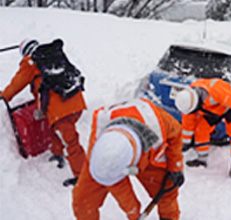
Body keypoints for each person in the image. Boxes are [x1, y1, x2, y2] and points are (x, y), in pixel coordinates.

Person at [72, 98, 184, 220]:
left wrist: (175, 167)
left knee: (166, 191)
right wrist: (133, 213)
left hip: (147, 155)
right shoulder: (100, 147)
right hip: (114, 162)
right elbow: (114, 181)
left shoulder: (160, 122)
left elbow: (176, 136)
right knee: (82, 200)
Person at [0, 39, 87, 186]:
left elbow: (17, 83)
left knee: (71, 142)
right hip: (75, 102)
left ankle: (83, 177)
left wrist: (4, 96)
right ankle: (58, 154)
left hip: (62, 110)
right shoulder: (52, 56)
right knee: (52, 129)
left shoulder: (31, 62)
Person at [174, 78, 231, 178]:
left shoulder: (216, 92)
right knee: (201, 129)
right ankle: (202, 159)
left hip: (229, 109)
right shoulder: (189, 101)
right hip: (212, 111)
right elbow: (188, 123)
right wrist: (186, 141)